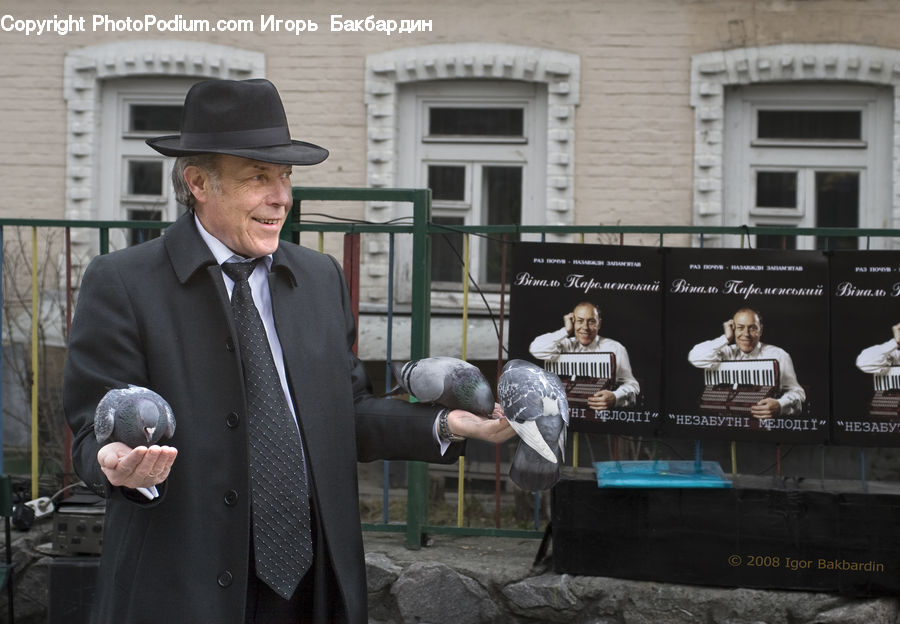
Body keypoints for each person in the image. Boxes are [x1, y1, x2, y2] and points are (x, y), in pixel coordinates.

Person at [62, 78, 514, 624]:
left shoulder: (318, 277)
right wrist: (116, 465)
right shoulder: (124, 283)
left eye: (285, 177)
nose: (281, 197)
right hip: (185, 585)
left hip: (314, 581)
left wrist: (448, 425)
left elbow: (342, 414)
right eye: (258, 177)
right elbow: (94, 432)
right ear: (199, 182)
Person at [687, 307, 805, 418]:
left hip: (762, 424)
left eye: (752, 328)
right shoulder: (724, 352)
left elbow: (797, 393)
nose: (746, 334)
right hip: (723, 421)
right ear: (733, 329)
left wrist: (780, 405)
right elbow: (694, 357)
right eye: (740, 327)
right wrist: (726, 338)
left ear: (761, 330)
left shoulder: (778, 355)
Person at [528, 301, 640, 409]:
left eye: (591, 321)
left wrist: (615, 397)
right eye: (580, 321)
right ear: (573, 322)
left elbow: (632, 386)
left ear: (599, 323)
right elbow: (535, 349)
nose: (585, 327)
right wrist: (566, 331)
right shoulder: (564, 345)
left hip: (601, 414)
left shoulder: (615, 348)